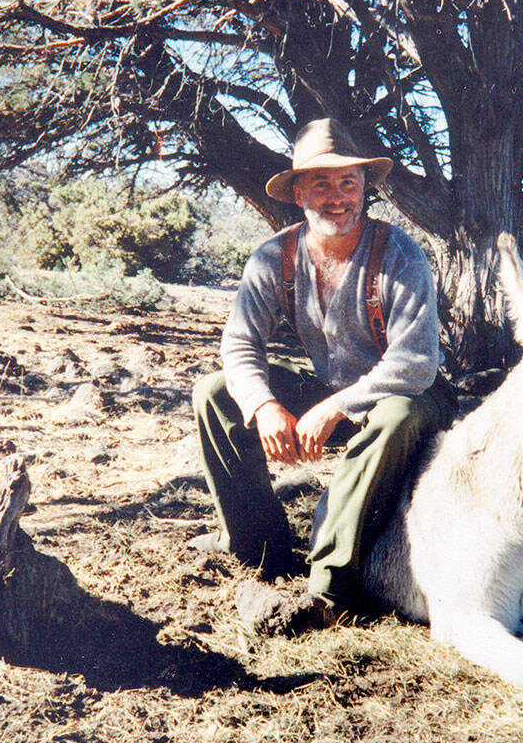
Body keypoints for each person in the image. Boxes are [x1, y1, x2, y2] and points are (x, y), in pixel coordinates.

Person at [191, 118, 454, 633]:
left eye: (348, 182)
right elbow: (240, 344)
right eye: (321, 183)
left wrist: (335, 408)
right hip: (331, 389)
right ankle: (256, 547)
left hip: (411, 395)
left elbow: (417, 362)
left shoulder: (400, 254)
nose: (337, 197)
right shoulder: (274, 258)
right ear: (297, 193)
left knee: (397, 414)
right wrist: (264, 405)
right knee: (216, 393)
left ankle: (332, 583)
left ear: (364, 188)